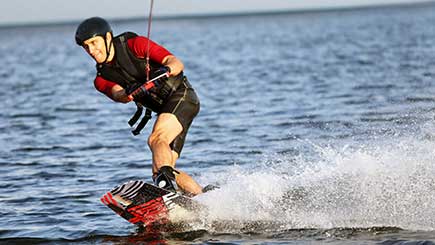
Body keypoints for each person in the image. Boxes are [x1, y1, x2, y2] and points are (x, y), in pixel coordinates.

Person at [75, 16, 203, 196]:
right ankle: (203, 199)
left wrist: (164, 71)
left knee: (156, 140)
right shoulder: (101, 78)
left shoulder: (135, 44)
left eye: (94, 43)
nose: (91, 50)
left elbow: (176, 63)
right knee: (161, 169)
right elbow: (118, 95)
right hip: (165, 112)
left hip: (182, 97)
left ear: (108, 38)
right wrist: (129, 91)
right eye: (86, 46)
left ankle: (166, 190)